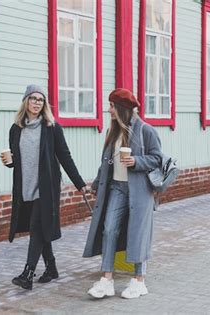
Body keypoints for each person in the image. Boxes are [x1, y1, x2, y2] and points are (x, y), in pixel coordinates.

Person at [1, 84, 88, 290]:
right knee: (40, 229)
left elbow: (65, 156)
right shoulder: (16, 129)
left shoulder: (51, 128)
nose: (37, 103)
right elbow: (16, 160)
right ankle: (51, 267)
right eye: (33, 99)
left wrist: (80, 184)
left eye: (41, 100)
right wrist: (9, 161)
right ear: (26, 101)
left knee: (36, 227)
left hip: (46, 187)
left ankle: (28, 274)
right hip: (25, 186)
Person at [83, 88, 162, 299]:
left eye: (111, 106)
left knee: (138, 233)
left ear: (121, 108)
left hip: (140, 190)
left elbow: (157, 158)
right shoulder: (114, 132)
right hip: (117, 188)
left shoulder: (146, 131)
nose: (108, 110)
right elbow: (107, 162)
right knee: (109, 229)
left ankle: (139, 280)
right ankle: (106, 280)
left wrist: (136, 161)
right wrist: (98, 184)